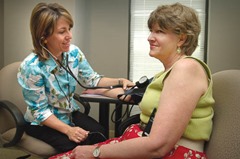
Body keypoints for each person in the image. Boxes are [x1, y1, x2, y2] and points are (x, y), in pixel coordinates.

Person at [50, 2, 215, 159]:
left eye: (160, 32)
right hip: (144, 144)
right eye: (152, 30)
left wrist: (96, 152)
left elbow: (159, 145)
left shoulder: (186, 69)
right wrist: (99, 90)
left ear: (182, 39)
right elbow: (131, 95)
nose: (150, 37)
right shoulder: (166, 73)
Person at [17, 2, 134, 153]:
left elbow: (91, 80)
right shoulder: (31, 67)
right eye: (62, 32)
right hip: (42, 123)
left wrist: (120, 81)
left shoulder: (73, 53)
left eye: (69, 29)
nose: (69, 36)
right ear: (43, 37)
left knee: (100, 134)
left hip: (68, 113)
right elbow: (40, 112)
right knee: (73, 148)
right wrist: (68, 130)